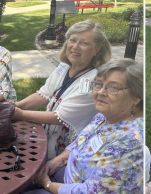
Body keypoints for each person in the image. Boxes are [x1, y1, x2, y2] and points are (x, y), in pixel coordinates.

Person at [15, 59, 144, 194]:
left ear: (136, 97)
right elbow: (82, 141)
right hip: (71, 176)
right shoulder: (105, 115)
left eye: (113, 88)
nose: (101, 92)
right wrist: (58, 161)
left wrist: (47, 184)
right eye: (99, 84)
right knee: (26, 179)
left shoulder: (129, 144)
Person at [13, 19, 112, 160]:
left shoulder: (95, 82)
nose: (75, 47)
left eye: (84, 43)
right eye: (72, 40)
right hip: (48, 134)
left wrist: (20, 114)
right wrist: (17, 105)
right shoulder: (64, 67)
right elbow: (44, 94)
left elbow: (60, 117)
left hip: (68, 148)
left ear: (97, 50)